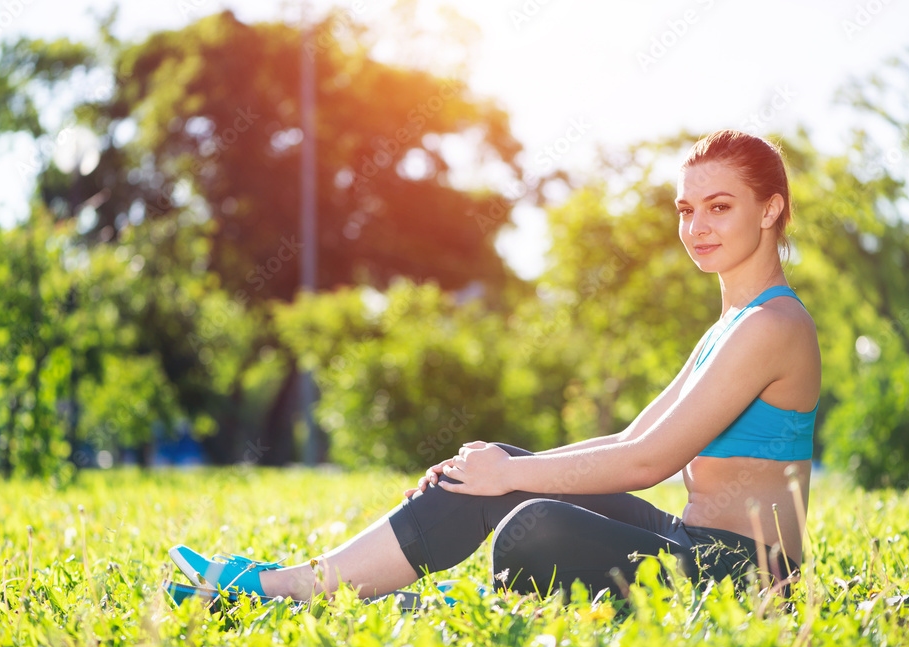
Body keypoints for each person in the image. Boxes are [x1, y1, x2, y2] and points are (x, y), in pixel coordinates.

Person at [169, 129, 820, 602]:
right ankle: (305, 583)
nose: (697, 225)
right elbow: (628, 440)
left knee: (531, 529)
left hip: (743, 577)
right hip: (687, 539)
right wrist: (502, 468)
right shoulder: (729, 325)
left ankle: (332, 592)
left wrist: (510, 474)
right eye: (686, 208)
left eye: (720, 206)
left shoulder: (773, 325)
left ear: (770, 210)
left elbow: (648, 464)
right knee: (502, 474)